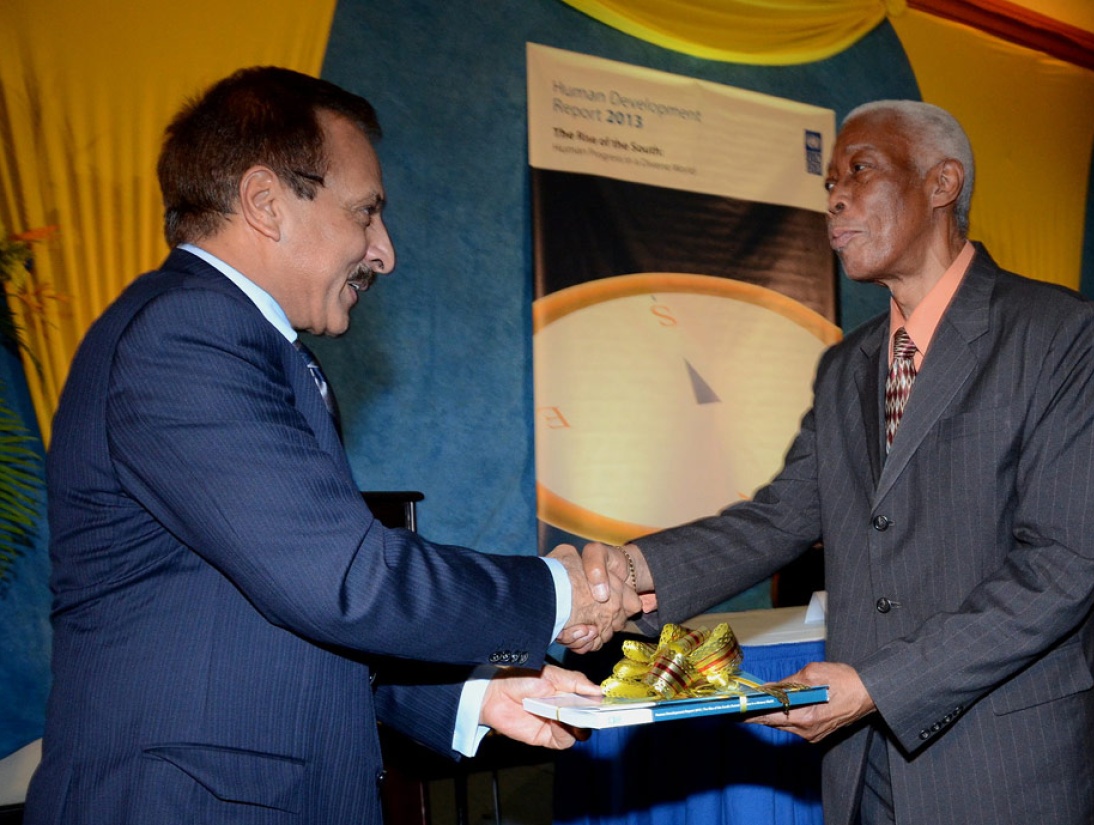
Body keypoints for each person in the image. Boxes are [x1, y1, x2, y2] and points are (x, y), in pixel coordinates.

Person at [26, 66, 638, 824]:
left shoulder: (257, 346)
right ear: (264, 202)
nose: (384, 251)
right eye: (366, 212)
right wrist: (558, 592)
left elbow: (283, 612)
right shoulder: (183, 335)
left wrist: (473, 696)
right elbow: (345, 580)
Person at [578, 100, 1094, 825]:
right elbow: (778, 519)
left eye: (858, 171)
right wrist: (629, 573)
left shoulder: (1058, 334)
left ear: (941, 183)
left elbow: (1059, 565)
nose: (833, 197)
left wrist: (880, 683)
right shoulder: (845, 366)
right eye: (829, 181)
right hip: (864, 766)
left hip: (1004, 762)